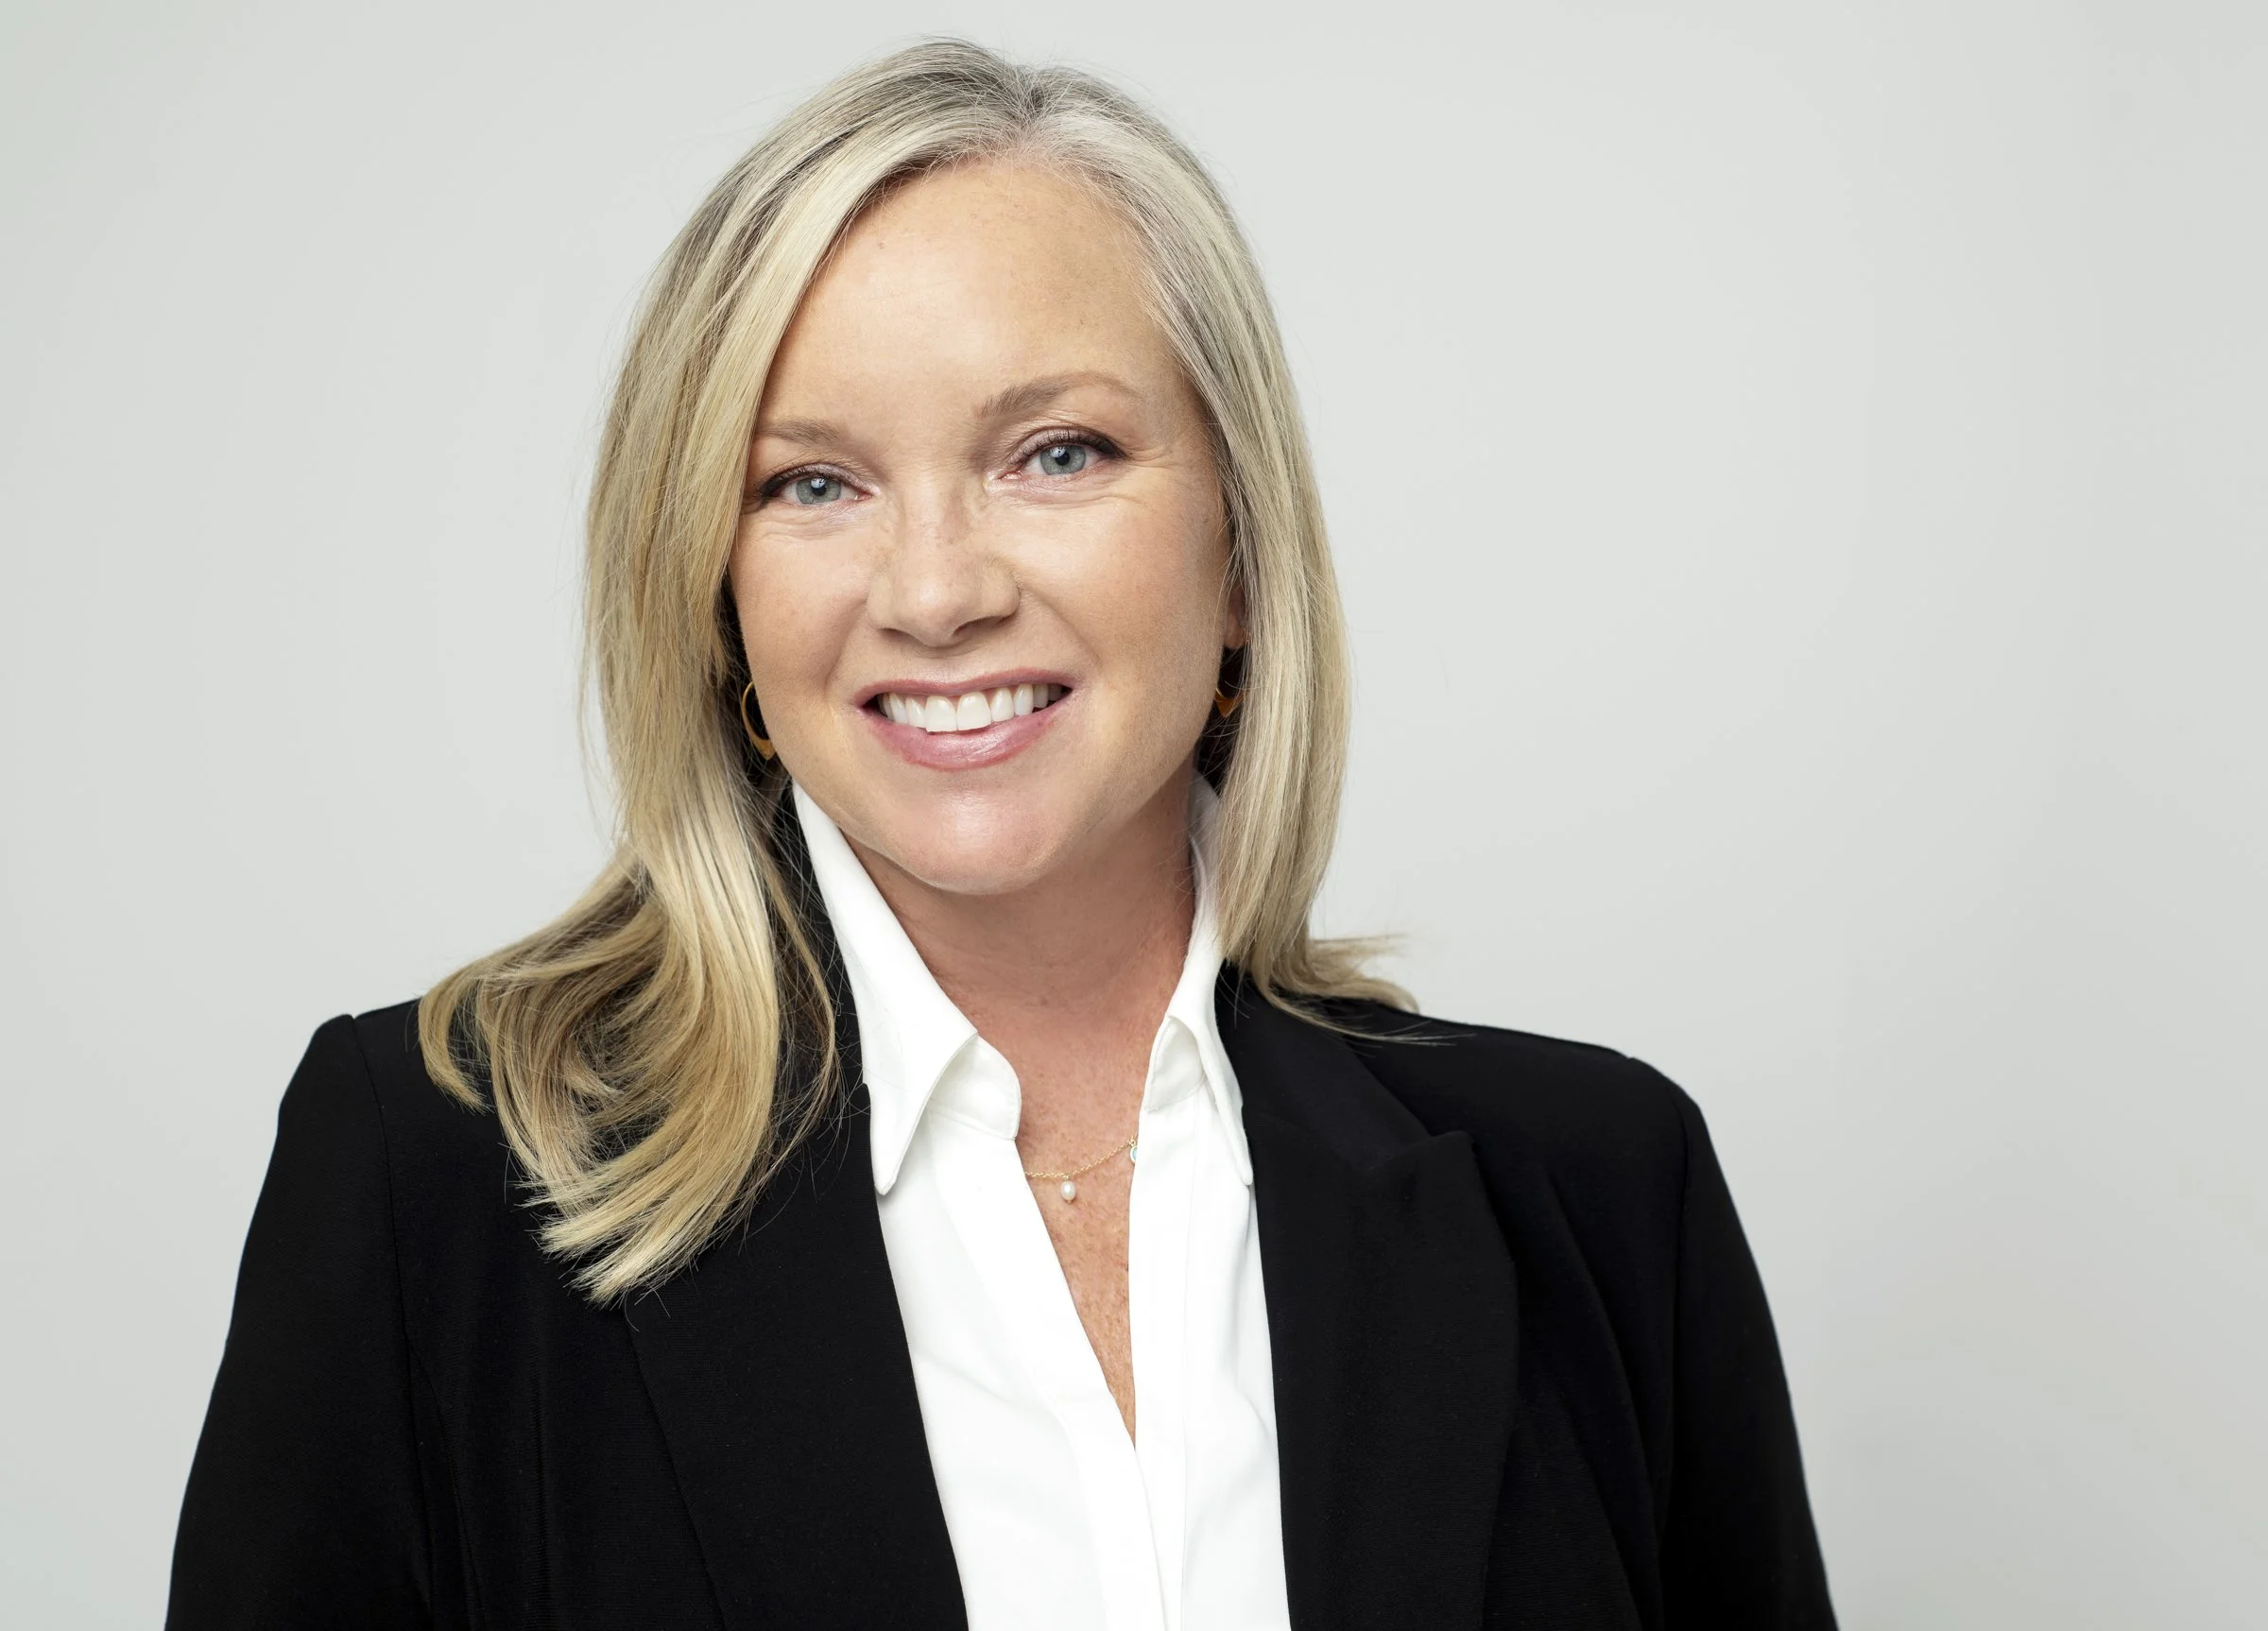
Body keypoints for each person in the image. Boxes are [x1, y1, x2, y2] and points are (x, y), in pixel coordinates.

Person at [168, 39, 1835, 1631]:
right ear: (717, 598)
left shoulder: (1604, 1190)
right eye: (813, 483)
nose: (938, 589)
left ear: (1242, 551)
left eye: (1056, 452)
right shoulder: (436, 1181)